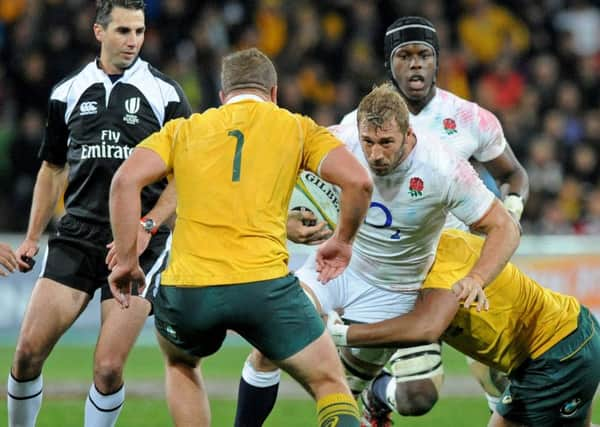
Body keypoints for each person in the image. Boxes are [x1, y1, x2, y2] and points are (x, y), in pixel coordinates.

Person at [108, 47, 373, 427]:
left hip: (190, 289)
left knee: (181, 362)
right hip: (264, 287)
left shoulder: (185, 129)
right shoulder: (296, 127)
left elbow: (124, 181)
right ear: (274, 92)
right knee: (329, 382)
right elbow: (359, 182)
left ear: (222, 96)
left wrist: (128, 261)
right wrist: (342, 241)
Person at [235, 83, 521, 427]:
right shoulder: (338, 140)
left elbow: (504, 228)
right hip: (337, 267)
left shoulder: (444, 168)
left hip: (395, 293)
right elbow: (266, 169)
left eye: (386, 143)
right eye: (368, 142)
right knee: (269, 344)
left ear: (407, 133)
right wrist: (284, 221)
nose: (375, 155)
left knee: (362, 393)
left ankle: (373, 395)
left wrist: (477, 277)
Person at [7, 2, 191, 426]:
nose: (133, 41)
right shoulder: (66, 92)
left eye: (140, 31)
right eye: (124, 30)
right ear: (98, 32)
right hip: (76, 236)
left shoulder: (166, 95)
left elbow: (185, 177)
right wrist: (33, 236)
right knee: (27, 353)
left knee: (108, 368)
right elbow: (52, 167)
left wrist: (148, 225)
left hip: (138, 244)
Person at [326, 228, 600, 427]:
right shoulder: (424, 257)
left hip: (557, 355)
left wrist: (342, 334)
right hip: (566, 340)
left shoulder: (441, 266)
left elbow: (427, 329)